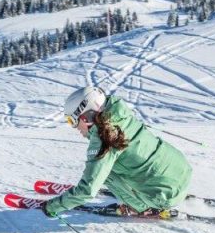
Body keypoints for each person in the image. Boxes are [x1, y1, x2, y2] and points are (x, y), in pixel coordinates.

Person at [43, 86, 192, 217]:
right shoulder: (120, 113)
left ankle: (142, 207)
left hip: (163, 196)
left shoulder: (105, 138)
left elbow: (88, 190)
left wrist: (52, 207)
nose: (75, 127)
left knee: (103, 172)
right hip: (181, 170)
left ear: (85, 117)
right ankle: (161, 189)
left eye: (72, 121)